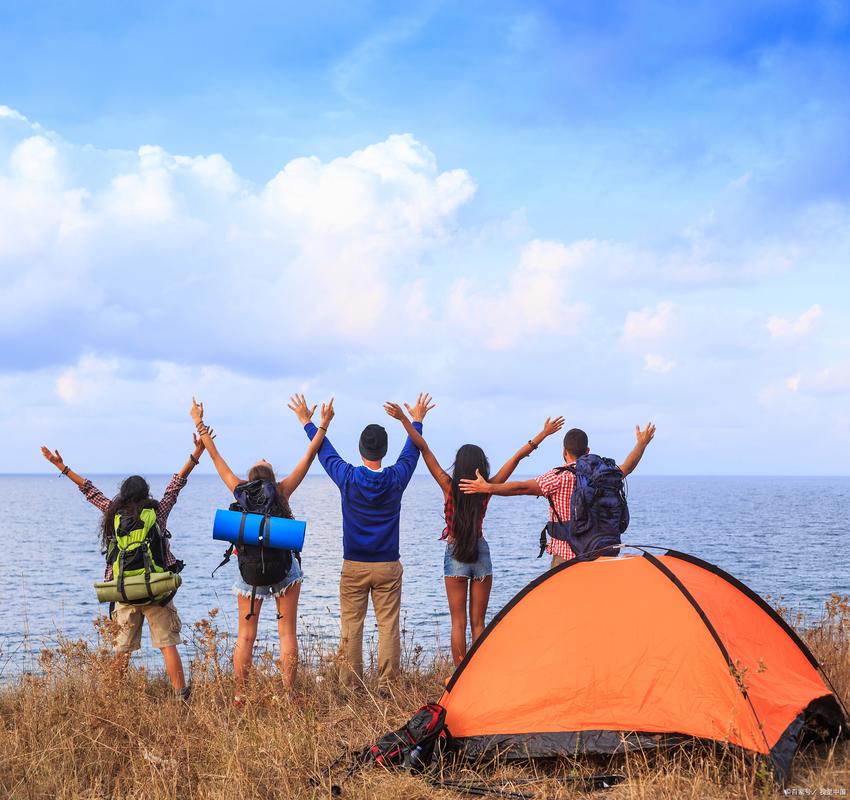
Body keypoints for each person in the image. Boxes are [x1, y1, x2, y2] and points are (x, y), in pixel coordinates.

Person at [384, 402, 565, 665]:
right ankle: (479, 675)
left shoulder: (448, 486)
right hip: (480, 552)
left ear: (458, 465)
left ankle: (460, 679)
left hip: (455, 552)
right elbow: (516, 458)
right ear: (482, 465)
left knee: (458, 623)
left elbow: (423, 448)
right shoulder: (487, 488)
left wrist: (405, 419)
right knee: (478, 623)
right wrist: (543, 434)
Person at [40, 435, 205, 700]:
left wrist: (63, 468)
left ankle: (111, 700)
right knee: (167, 646)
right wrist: (196, 453)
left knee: (122, 651)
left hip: (123, 591)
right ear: (145, 493)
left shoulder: (112, 513)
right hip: (157, 591)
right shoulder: (157, 512)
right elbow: (176, 485)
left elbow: (90, 491)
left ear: (123, 493)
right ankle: (181, 696)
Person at [190, 394, 334, 695]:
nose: (263, 456)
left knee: (245, 636)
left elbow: (216, 458)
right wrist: (322, 425)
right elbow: (308, 457)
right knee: (287, 634)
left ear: (250, 477)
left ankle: (240, 695)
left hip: (248, 574)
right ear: (269, 476)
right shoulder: (282, 491)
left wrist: (199, 423)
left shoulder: (239, 489)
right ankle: (290, 694)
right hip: (285, 573)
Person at [303, 393, 432, 692]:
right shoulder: (396, 477)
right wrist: (416, 420)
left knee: (351, 626)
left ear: (360, 449)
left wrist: (310, 423)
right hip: (388, 564)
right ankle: (387, 685)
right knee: (388, 625)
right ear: (384, 452)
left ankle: (351, 685)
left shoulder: (348, 477)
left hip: (355, 565)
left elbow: (324, 452)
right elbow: (413, 450)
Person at [460, 423, 657, 568]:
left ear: (564, 451)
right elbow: (627, 467)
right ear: (587, 451)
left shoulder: (557, 477)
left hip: (567, 558)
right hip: (602, 556)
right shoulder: (606, 474)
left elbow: (521, 488)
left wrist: (487, 488)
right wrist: (641, 444)